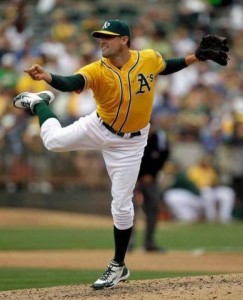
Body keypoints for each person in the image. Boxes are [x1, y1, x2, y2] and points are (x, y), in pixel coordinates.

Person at [12, 19, 228, 290]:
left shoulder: (148, 58)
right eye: (100, 36)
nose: (102, 40)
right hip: (98, 127)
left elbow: (167, 66)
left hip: (130, 144)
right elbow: (71, 82)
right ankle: (40, 103)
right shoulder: (97, 69)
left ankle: (118, 265)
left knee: (122, 206)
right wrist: (48, 78)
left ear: (124, 40)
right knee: (53, 141)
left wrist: (196, 57)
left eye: (108, 36)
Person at [128, 126, 169, 252]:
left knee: (153, 209)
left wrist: (152, 174)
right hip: (131, 179)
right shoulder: (131, 135)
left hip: (151, 179)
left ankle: (149, 243)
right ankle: (128, 243)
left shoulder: (159, 138)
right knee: (129, 210)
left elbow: (164, 155)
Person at [187, 155, 235, 223]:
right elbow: (193, 184)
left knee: (228, 192)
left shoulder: (211, 170)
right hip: (200, 192)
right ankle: (211, 218)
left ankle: (225, 218)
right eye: (204, 161)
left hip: (212, 189)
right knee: (207, 192)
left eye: (208, 161)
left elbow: (216, 182)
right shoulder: (193, 170)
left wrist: (214, 184)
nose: (206, 162)